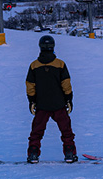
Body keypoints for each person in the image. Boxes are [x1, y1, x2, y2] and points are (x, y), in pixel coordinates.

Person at [25, 35, 77, 163]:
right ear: (53, 47)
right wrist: (69, 99)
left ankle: (33, 154)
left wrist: (32, 100)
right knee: (66, 131)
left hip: (42, 105)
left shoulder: (34, 65)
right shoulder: (60, 64)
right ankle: (69, 153)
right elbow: (66, 84)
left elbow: (30, 85)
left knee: (36, 132)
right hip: (59, 104)